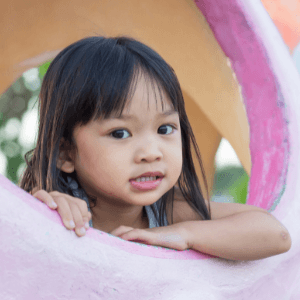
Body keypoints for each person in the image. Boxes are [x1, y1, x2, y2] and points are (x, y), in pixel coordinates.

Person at [19, 36, 291, 260]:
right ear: (65, 153)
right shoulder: (56, 210)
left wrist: (185, 234)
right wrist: (45, 212)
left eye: (165, 129)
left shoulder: (167, 211)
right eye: (120, 133)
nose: (152, 152)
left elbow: (275, 235)